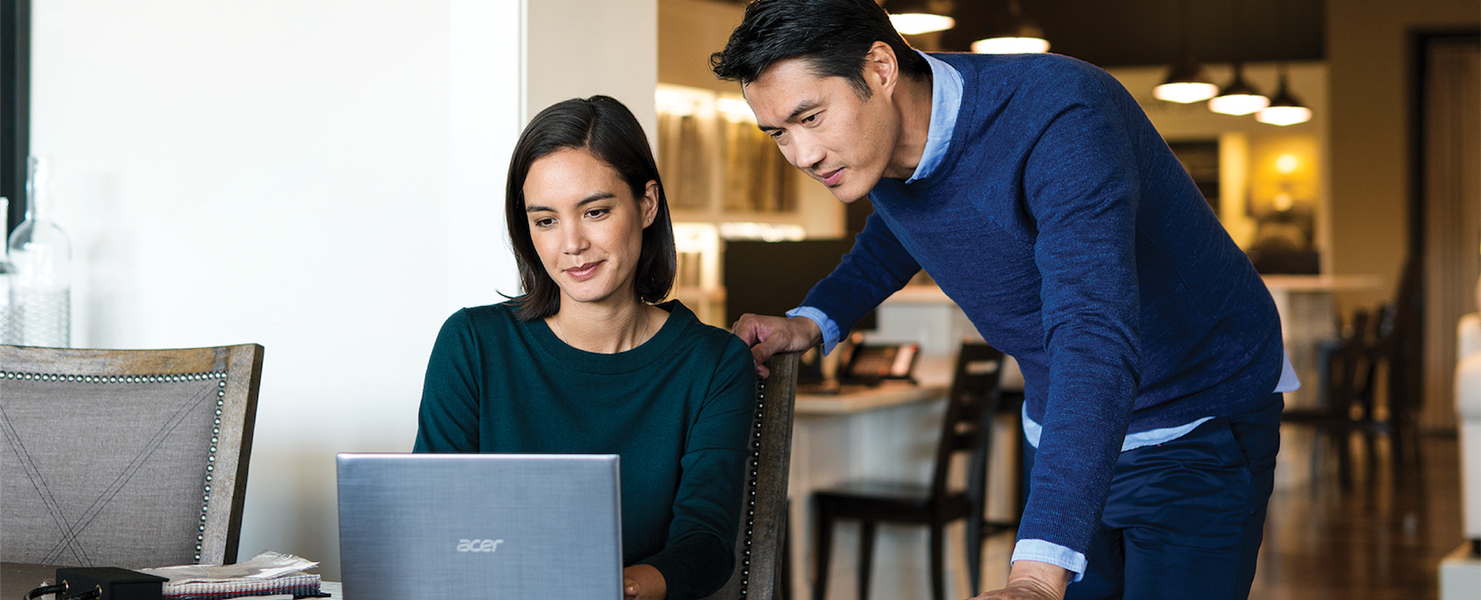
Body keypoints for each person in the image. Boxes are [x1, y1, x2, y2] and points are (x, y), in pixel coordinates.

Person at [708, 2, 1296, 599]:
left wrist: (1037, 579)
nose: (801, 156)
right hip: (1066, 425)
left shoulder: (1061, 115)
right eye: (779, 132)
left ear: (881, 68)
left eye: (811, 117)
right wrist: (811, 323)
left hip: (1196, 409)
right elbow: (896, 234)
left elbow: (1093, 333)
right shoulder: (886, 149)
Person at [412, 95, 756, 600]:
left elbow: (704, 545)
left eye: (594, 211)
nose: (571, 243)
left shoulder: (714, 363)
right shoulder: (472, 344)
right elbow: (429, 521)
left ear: (646, 204)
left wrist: (613, 588)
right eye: (545, 220)